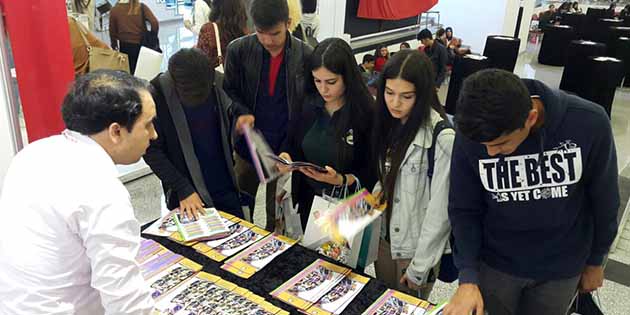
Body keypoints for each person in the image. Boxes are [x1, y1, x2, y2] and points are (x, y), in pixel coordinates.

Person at [444, 69, 619, 315]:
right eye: (485, 147)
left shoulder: (589, 122)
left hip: (561, 269)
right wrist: (467, 276)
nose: (491, 153)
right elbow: (464, 208)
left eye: (501, 144)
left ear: (531, 118)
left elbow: (606, 200)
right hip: (495, 265)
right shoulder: (473, 128)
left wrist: (596, 260)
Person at [0, 70, 157, 314]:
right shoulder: (100, 186)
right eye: (147, 125)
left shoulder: (32, 153)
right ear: (116, 131)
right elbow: (124, 296)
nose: (154, 134)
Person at [371, 50, 454, 300]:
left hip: (415, 248)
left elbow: (440, 213)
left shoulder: (443, 138)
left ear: (424, 93)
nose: (395, 103)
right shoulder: (389, 122)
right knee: (383, 301)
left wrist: (420, 266)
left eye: (406, 96)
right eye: (389, 93)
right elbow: (385, 178)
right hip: (384, 238)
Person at [223, 0, 313, 230]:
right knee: (244, 208)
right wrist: (242, 112)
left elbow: (307, 108)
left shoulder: (305, 55)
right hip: (248, 147)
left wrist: (291, 148)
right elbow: (228, 90)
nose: (267, 41)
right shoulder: (238, 50)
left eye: (275, 33)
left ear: (288, 24)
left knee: (282, 217)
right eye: (261, 33)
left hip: (286, 147)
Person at [278, 38, 376, 229]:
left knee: (341, 257)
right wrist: (286, 156)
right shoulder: (308, 102)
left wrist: (341, 179)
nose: (323, 89)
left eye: (331, 82)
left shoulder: (366, 112)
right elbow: (292, 140)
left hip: (350, 206)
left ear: (347, 77)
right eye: (317, 80)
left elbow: (373, 170)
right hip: (310, 200)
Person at [145, 48, 243, 220]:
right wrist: (183, 188)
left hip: (223, 180)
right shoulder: (156, 97)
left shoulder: (218, 83)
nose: (198, 98)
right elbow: (151, 151)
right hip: (184, 188)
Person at [109, 0, 159, 74]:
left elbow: (112, 31)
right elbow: (155, 23)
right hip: (142, 45)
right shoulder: (141, 7)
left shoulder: (114, 10)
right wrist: (152, 36)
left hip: (125, 47)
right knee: (144, 72)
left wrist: (114, 45)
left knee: (130, 73)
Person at [197, 0, 248, 68]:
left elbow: (200, 60)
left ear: (216, 7)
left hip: (217, 76)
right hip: (238, 76)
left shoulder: (209, 29)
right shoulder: (244, 30)